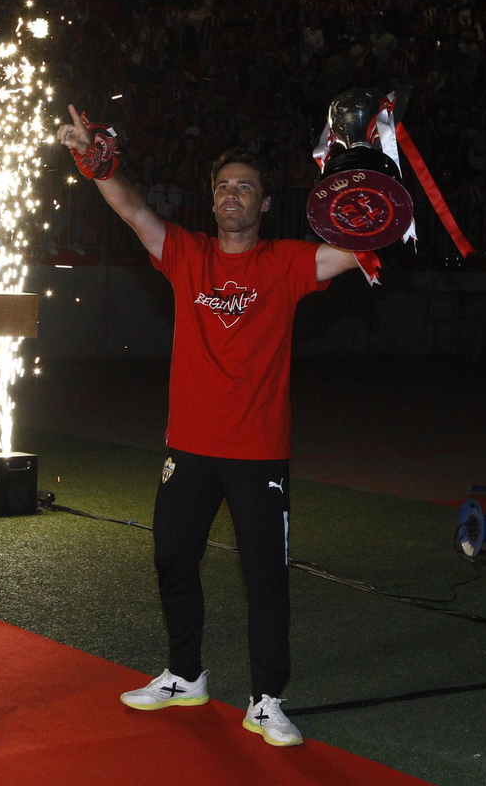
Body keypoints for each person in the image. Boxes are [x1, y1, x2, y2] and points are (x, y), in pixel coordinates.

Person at [56, 106, 361, 748]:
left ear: (265, 203)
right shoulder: (187, 254)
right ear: (212, 198)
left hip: (258, 452)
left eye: (245, 186)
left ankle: (266, 700)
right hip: (189, 447)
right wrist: (97, 164)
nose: (232, 194)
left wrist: (375, 194)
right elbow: (132, 210)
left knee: (265, 578)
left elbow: (359, 251)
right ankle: (185, 674)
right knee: (172, 558)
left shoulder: (287, 263)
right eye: (224, 186)